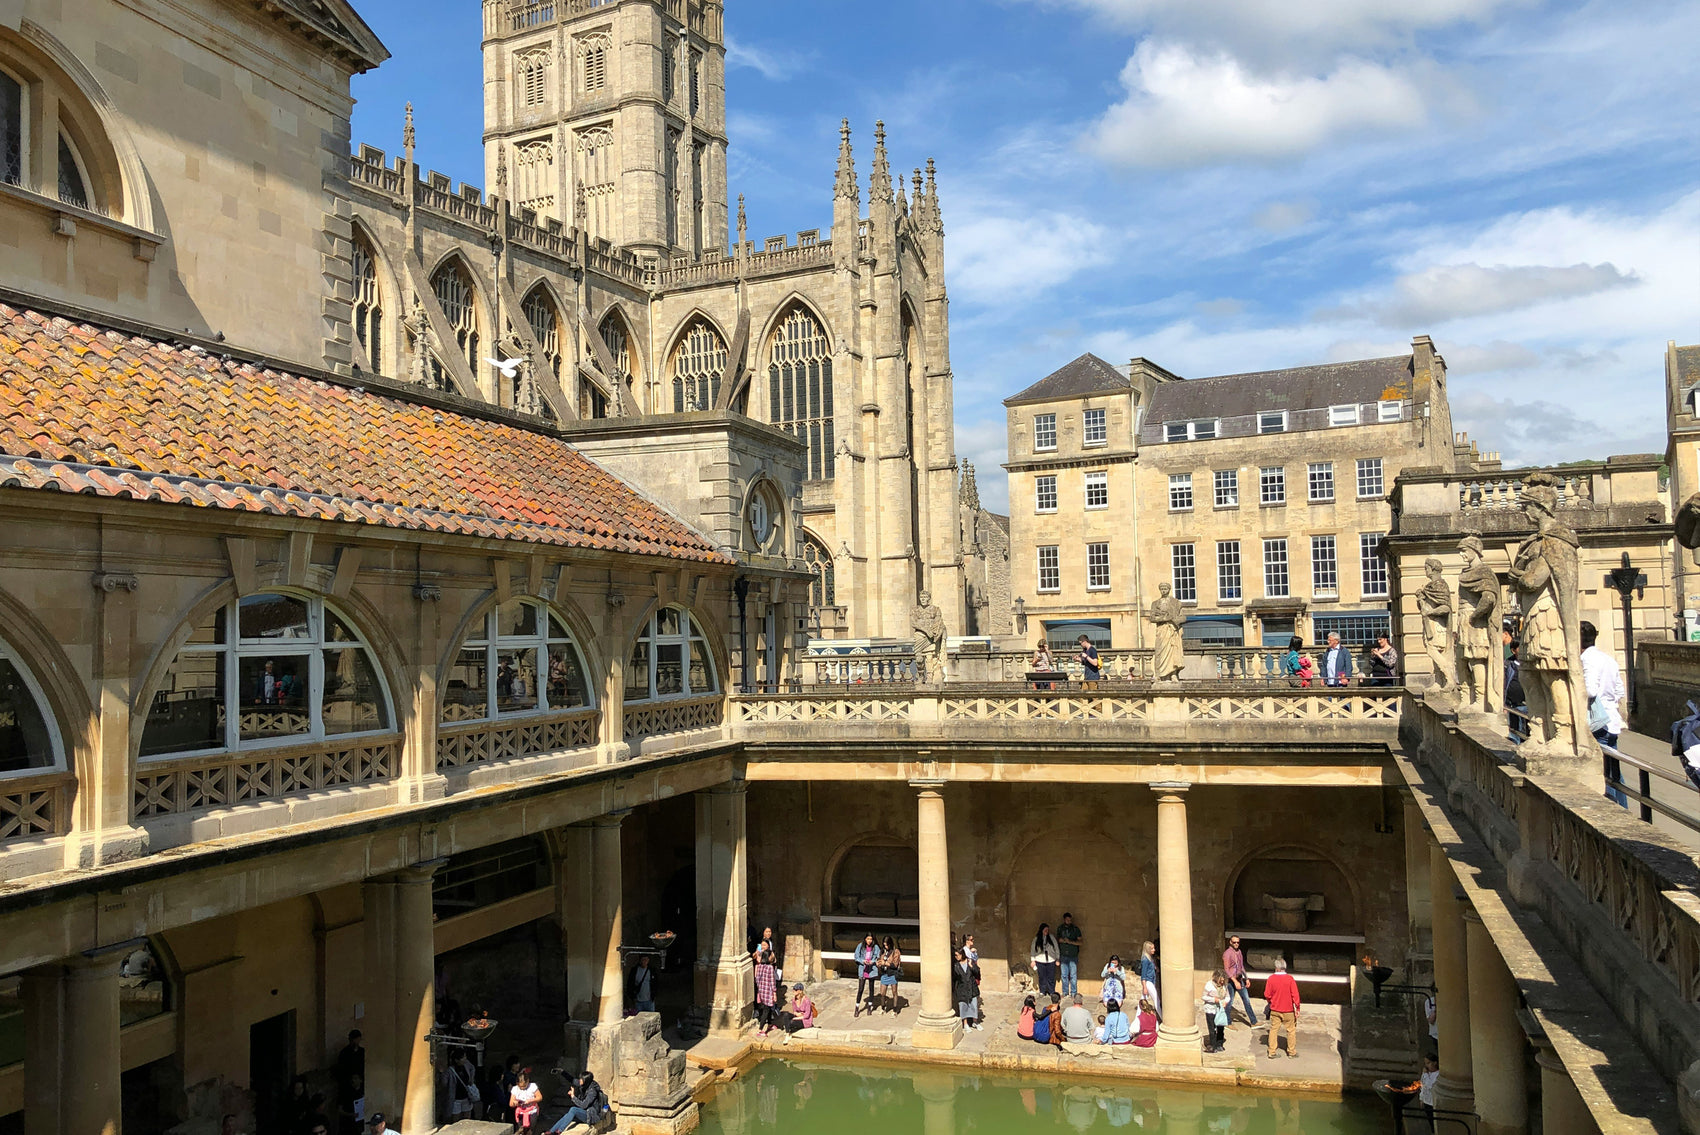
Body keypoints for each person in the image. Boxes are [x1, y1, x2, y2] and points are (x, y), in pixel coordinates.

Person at [1581, 620, 1628, 808]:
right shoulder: (1608, 658)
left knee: (1600, 769)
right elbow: (1619, 692)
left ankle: (1614, 808)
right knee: (1614, 771)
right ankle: (1622, 808)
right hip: (1612, 720)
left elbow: (1590, 691)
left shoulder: (1587, 660)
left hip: (1597, 721)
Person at [1264, 959, 1302, 1058]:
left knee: (1273, 1029)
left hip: (1275, 1009)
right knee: (1291, 1030)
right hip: (1288, 1010)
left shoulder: (1271, 978)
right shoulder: (1290, 979)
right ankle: (1291, 1052)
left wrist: (1271, 1001)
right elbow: (1295, 995)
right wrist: (1297, 1008)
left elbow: (1267, 994)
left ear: (1276, 967)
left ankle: (1272, 1051)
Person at [1222, 935, 1258, 1026]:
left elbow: (1241, 966)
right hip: (1231, 980)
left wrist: (1246, 978)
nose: (1236, 944)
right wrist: (1235, 981)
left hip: (1239, 978)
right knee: (1229, 1001)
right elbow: (1226, 969)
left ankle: (1254, 1022)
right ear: (1230, 942)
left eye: (1238, 942)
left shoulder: (1239, 952)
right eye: (1234, 942)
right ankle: (1227, 1022)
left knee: (1246, 999)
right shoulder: (1227, 954)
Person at [952, 947, 982, 1030]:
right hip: (962, 988)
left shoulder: (970, 961)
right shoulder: (956, 965)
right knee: (963, 1006)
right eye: (955, 955)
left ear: (962, 955)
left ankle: (975, 1022)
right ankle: (965, 1024)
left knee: (973, 1005)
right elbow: (955, 977)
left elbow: (977, 973)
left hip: (972, 987)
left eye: (957, 955)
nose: (956, 957)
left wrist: (971, 966)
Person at [753, 948, 780, 1035]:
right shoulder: (769, 968)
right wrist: (774, 993)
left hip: (762, 991)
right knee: (766, 1010)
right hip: (768, 992)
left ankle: (769, 1024)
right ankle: (762, 1029)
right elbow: (772, 982)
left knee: (767, 1008)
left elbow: (757, 979)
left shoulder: (760, 966)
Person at [853, 932, 881, 1018]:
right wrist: (863, 961)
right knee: (861, 989)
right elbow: (856, 956)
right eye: (868, 939)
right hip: (863, 970)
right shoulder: (860, 946)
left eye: (871, 939)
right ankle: (857, 1007)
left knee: (871, 988)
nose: (869, 941)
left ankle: (870, 1006)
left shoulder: (875, 947)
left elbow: (878, 956)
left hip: (871, 970)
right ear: (865, 939)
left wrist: (872, 961)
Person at [1202, 969, 1230, 1053]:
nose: (1221, 983)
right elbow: (1203, 997)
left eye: (1223, 981)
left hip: (1220, 1010)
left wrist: (1225, 1002)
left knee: (1220, 1027)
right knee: (1212, 1028)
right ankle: (1213, 1045)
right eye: (1220, 981)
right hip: (1210, 1009)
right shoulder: (1209, 985)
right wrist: (1214, 1000)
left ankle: (1219, 1044)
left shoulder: (1225, 986)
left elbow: (1228, 996)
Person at [1057, 913, 1083, 997]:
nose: (1069, 921)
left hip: (1073, 955)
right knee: (1064, 975)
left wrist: (1070, 942)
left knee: (1073, 975)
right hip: (1063, 954)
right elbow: (1058, 939)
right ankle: (1065, 991)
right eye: (1067, 919)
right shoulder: (1060, 928)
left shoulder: (1075, 929)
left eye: (1070, 920)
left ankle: (1073, 992)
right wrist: (1062, 940)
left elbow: (1080, 942)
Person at [1031, 922, 1060, 997]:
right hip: (1040, 961)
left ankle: (1051, 991)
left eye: (1047, 930)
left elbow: (1056, 948)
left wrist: (1057, 958)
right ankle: (1042, 991)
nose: (1046, 932)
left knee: (1051, 976)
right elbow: (1033, 950)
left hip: (1051, 960)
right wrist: (1033, 960)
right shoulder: (1037, 938)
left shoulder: (1051, 937)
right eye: (1045, 930)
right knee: (1042, 977)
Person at [877, 936, 902, 1014]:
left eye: (887, 945)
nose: (886, 947)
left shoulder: (895, 952)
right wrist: (879, 963)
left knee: (894, 992)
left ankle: (895, 1009)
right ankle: (883, 1007)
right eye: (884, 945)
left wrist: (886, 963)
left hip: (892, 974)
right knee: (882, 993)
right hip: (884, 974)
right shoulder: (882, 952)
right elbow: (879, 959)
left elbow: (895, 964)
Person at [1139, 941, 1161, 1020]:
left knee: (1143, 1000)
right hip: (1148, 982)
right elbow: (1143, 975)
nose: (1154, 950)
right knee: (1156, 1000)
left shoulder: (1150, 958)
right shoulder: (1145, 960)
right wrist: (1144, 987)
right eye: (1152, 949)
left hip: (1151, 981)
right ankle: (1162, 1017)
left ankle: (1138, 1019)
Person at [1418, 1054, 1440, 1131]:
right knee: (1430, 1121)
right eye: (1425, 1063)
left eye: (1428, 1063)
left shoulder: (1438, 1074)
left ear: (1435, 1063)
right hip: (1426, 1101)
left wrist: (1426, 1074)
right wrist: (1421, 1098)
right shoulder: (1425, 1073)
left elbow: (1430, 1085)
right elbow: (1422, 1085)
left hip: (1432, 1102)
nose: (1426, 1066)